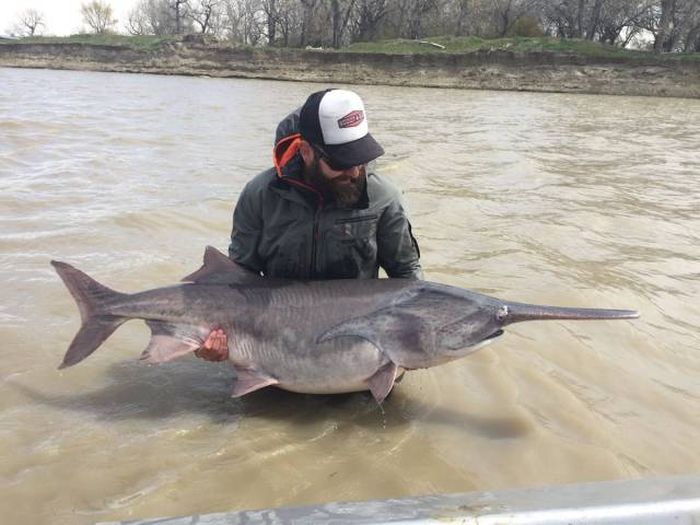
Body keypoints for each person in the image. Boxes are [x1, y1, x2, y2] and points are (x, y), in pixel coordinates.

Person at [196, 88, 422, 362]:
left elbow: (407, 276)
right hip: (274, 346)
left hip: (358, 351)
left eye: (359, 160)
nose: (353, 173)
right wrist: (216, 338)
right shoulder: (260, 195)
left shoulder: (384, 197)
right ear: (306, 152)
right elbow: (239, 280)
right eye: (340, 162)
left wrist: (416, 339)